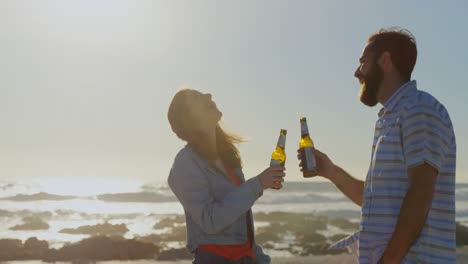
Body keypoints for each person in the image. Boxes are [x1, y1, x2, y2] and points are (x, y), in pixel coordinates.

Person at [298, 28, 456, 263]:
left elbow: (421, 193)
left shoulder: (418, 109)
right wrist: (330, 171)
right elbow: (378, 203)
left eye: (363, 63)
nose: (356, 72)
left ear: (385, 60)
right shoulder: (391, 118)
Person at [167, 89, 284, 264]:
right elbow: (210, 220)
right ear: (189, 118)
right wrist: (258, 183)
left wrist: (260, 259)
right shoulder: (185, 163)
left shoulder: (227, 157)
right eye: (197, 98)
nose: (208, 95)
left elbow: (241, 230)